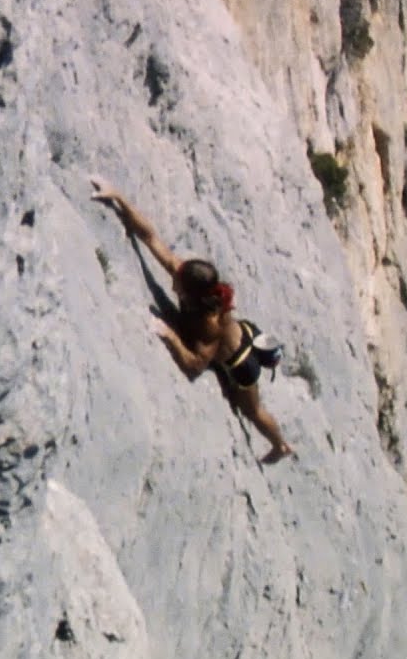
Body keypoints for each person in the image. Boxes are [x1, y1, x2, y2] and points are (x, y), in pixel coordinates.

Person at [89, 174, 295, 464]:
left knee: (252, 411)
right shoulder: (189, 281)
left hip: (240, 362)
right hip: (241, 330)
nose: (173, 283)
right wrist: (118, 197)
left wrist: (169, 336)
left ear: (193, 295)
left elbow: (195, 365)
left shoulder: (211, 328)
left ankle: (280, 444)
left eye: (179, 286)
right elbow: (150, 237)